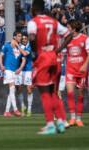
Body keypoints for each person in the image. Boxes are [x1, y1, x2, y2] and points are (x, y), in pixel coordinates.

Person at [27, 0, 72, 134]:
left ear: (35, 8)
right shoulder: (53, 22)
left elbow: (33, 38)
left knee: (44, 93)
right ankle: (60, 122)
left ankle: (51, 126)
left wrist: (34, 54)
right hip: (53, 57)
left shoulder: (33, 22)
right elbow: (68, 35)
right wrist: (58, 51)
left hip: (42, 58)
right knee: (52, 92)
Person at [65, 19, 89, 126]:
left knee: (80, 94)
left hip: (82, 71)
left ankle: (79, 118)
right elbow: (62, 54)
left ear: (74, 28)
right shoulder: (66, 39)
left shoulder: (85, 39)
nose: (67, 29)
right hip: (70, 69)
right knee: (70, 93)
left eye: (68, 27)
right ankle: (72, 118)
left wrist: (85, 65)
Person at [0, 31, 26, 117]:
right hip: (8, 70)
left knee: (12, 91)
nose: (20, 38)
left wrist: (19, 69)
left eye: (21, 36)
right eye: (19, 36)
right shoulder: (7, 45)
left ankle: (6, 111)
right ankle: (15, 110)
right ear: (14, 37)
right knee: (12, 88)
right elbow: (0, 56)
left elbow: (24, 58)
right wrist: (1, 65)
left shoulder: (21, 47)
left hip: (16, 71)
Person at [12, 33, 33, 117]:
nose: (24, 40)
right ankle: (22, 106)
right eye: (22, 38)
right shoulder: (18, 45)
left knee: (29, 90)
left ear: (27, 39)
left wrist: (17, 45)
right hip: (19, 71)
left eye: (25, 38)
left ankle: (29, 109)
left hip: (28, 70)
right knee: (19, 90)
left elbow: (25, 53)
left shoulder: (29, 46)